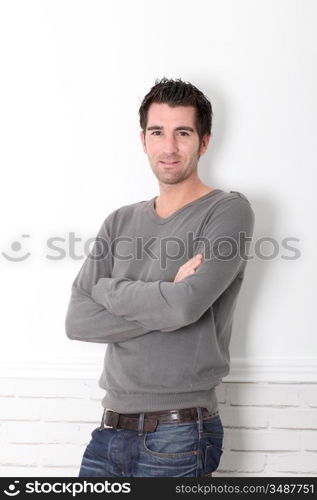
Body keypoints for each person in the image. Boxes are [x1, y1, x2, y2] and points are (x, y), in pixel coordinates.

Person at [65, 77, 255, 477]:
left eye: (182, 133)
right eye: (158, 132)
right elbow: (78, 319)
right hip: (109, 429)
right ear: (143, 140)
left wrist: (111, 290)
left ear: (204, 142)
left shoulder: (227, 211)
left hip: (180, 432)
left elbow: (184, 308)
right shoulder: (119, 221)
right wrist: (166, 293)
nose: (169, 148)